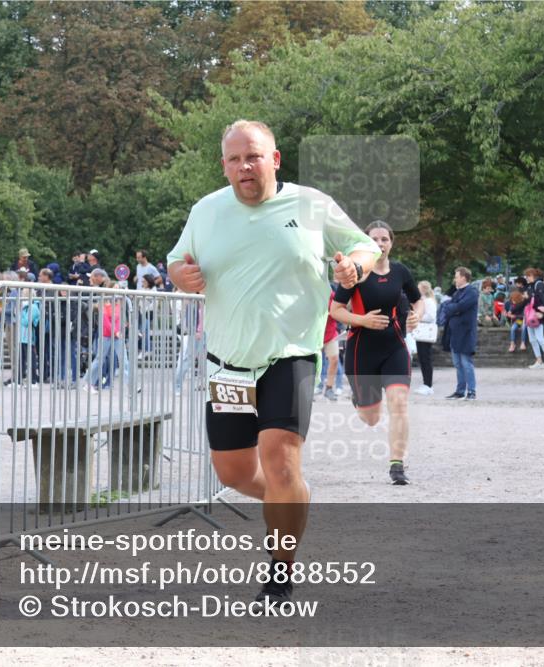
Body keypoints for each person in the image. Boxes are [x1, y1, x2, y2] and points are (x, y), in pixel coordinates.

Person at [167, 119, 379, 604]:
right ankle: (293, 498)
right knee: (234, 473)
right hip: (228, 362)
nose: (245, 166)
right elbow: (177, 259)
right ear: (224, 166)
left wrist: (355, 266)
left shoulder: (311, 205)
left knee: (280, 461)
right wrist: (180, 274)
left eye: (254, 156)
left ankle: (280, 571)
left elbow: (364, 246)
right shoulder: (206, 211)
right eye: (235, 159)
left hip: (291, 354)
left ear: (275, 160)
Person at [331, 220, 422, 484]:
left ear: (391, 243)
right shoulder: (355, 272)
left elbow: (417, 300)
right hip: (362, 350)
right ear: (366, 243)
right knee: (371, 418)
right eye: (374, 239)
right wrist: (362, 320)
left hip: (394, 346)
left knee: (399, 403)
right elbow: (336, 310)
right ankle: (359, 400)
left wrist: (416, 315)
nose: (380, 244)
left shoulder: (401, 271)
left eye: (385, 239)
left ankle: (397, 465)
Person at [443, 267, 479, 400]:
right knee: (458, 364)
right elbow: (447, 308)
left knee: (466, 363)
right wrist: (454, 309)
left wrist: (454, 309)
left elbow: (460, 306)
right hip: (454, 333)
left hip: (466, 333)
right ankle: (460, 391)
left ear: (464, 277)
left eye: (456, 277)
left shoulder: (472, 292)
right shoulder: (457, 293)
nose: (455, 279)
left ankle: (471, 391)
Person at [412, 280, 438, 396]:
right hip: (422, 333)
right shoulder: (423, 301)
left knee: (426, 359)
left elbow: (431, 317)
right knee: (423, 359)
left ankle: (428, 385)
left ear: (423, 289)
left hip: (426, 333)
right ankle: (426, 383)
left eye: (419, 288)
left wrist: (418, 317)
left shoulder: (429, 302)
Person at [523, 268, 544, 369]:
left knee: (540, 339)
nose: (527, 278)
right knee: (532, 339)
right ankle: (539, 361)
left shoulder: (539, 284)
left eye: (528, 276)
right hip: (530, 315)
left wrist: (542, 313)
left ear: (534, 275)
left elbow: (541, 299)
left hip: (537, 315)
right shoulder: (529, 286)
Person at [319, 289, 341, 401]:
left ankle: (329, 388)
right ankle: (311, 387)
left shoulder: (331, 294)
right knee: (312, 363)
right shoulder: (312, 291)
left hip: (330, 333)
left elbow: (339, 310)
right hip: (315, 335)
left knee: (334, 360)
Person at [505, 288, 528, 353]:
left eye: (514, 299)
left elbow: (524, 315)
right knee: (513, 328)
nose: (512, 301)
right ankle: (512, 344)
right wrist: (508, 314)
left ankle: (523, 342)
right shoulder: (512, 305)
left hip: (524, 320)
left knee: (523, 327)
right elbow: (510, 312)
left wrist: (514, 316)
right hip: (518, 321)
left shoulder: (523, 304)